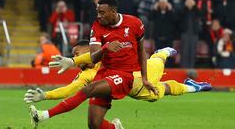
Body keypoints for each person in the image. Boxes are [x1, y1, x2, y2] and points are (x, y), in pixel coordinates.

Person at [30, 0, 156, 128]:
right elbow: (94, 57)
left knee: (88, 89)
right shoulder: (97, 26)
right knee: (94, 124)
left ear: (113, 11)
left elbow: (142, 51)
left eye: (102, 12)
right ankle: (115, 128)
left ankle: (43, 115)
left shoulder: (135, 23)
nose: (99, 16)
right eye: (98, 12)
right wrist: (105, 48)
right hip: (104, 73)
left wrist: (144, 78)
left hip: (124, 76)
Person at [24, 41, 212, 104]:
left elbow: (95, 54)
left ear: (87, 49)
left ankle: (162, 52)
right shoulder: (86, 76)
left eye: (76, 52)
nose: (75, 56)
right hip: (134, 89)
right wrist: (46, 95)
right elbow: (68, 90)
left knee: (155, 62)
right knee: (161, 91)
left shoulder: (100, 54)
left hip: (138, 72)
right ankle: (192, 87)